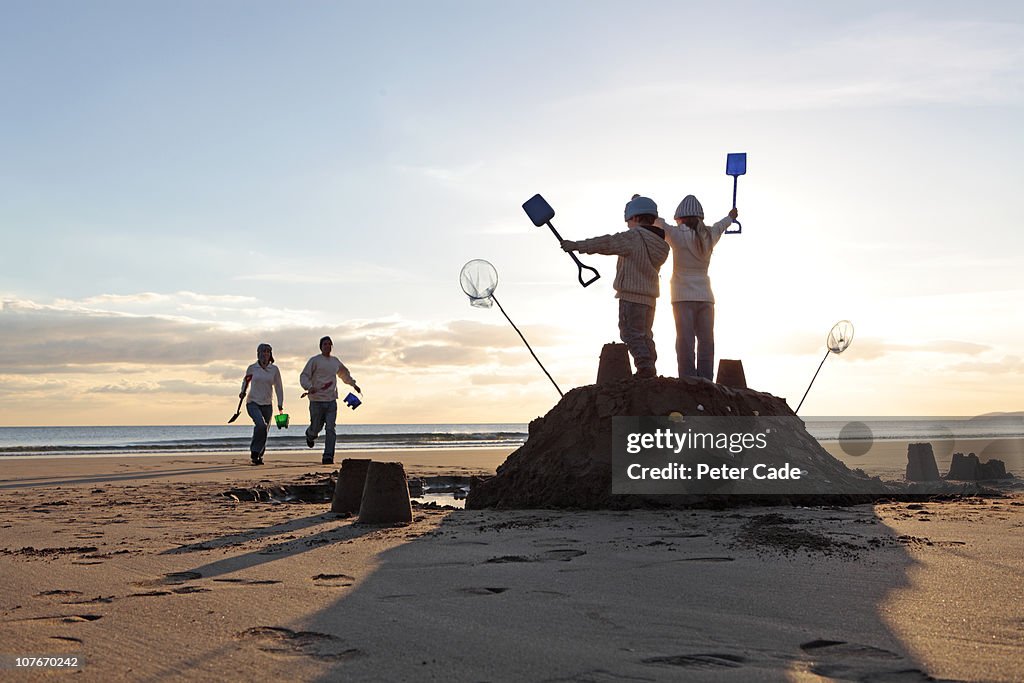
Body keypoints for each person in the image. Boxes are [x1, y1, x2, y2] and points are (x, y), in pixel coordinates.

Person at [561, 195, 670, 379]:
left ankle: (645, 368)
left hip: (631, 296)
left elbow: (607, 243)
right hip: (650, 298)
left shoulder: (634, 238)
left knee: (630, 333)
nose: (628, 225)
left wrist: (577, 246)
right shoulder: (660, 243)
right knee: (645, 334)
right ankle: (650, 366)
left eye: (629, 221)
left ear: (635, 218)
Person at [659, 195, 738, 381]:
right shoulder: (709, 235)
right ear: (700, 217)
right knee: (706, 342)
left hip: (681, 296)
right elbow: (722, 225)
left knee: (685, 341)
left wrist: (641, 204)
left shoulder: (676, 235)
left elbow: (658, 222)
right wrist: (731, 217)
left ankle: (688, 379)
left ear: (681, 218)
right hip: (705, 296)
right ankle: (706, 380)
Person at [300, 336, 361, 465]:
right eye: (325, 344)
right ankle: (310, 435)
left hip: (331, 400)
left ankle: (328, 456)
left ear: (332, 347)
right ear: (321, 347)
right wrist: (309, 387)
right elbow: (304, 376)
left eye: (329, 344)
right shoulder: (315, 361)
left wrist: (353, 384)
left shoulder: (335, 361)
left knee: (330, 428)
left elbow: (344, 374)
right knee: (316, 427)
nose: (327, 346)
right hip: (316, 400)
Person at [239, 343, 284, 465]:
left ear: (271, 354)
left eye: (268, 352)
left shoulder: (274, 369)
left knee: (264, 430)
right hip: (252, 402)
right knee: (261, 425)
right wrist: (242, 391)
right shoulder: (252, 368)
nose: (265, 354)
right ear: (258, 354)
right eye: (263, 352)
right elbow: (246, 381)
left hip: (267, 404)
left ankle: (258, 456)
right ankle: (255, 451)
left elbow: (278, 387)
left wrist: (280, 404)